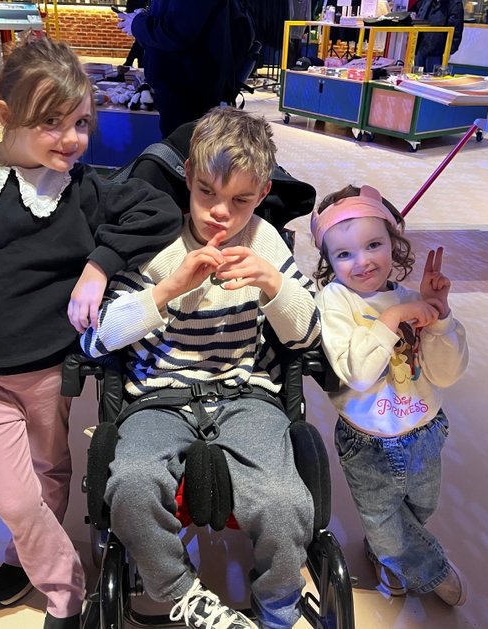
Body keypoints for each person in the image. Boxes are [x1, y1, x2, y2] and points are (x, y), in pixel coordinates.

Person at [0, 37, 182, 629]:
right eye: (51, 123)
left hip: (51, 372)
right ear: (5, 115)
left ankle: (26, 557)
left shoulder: (79, 186)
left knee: (49, 476)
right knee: (17, 499)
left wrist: (98, 265)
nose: (71, 139)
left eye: (80, 122)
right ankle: (67, 594)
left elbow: (159, 212)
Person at [81, 107, 321, 629]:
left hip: (245, 395)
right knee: (132, 485)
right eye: (207, 192)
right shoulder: (157, 239)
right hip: (159, 396)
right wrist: (165, 292)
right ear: (187, 177)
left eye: (239, 201)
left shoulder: (264, 241)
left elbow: (306, 335)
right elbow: (99, 339)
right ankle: (178, 591)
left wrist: (275, 287)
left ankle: (279, 602)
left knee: (284, 501)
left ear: (260, 195)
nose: (219, 213)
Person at [310, 184, 470, 606]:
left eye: (373, 245)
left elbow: (447, 374)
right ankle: (429, 570)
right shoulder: (334, 301)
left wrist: (439, 316)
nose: (362, 261)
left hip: (425, 429)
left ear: (393, 244)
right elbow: (358, 374)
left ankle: (387, 553)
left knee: (419, 508)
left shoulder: (411, 298)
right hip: (369, 441)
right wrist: (394, 318)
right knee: (382, 515)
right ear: (327, 261)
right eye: (343, 254)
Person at [115, 0, 234, 138]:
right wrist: (142, 20)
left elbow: (177, 32)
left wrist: (138, 24)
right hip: (179, 85)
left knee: (182, 149)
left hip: (187, 88)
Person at [412, 0, 465, 73]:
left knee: (433, 80)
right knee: (416, 79)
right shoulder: (426, 2)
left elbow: (456, 29)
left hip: (438, 52)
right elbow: (418, 17)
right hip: (421, 49)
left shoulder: (455, 3)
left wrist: (449, 51)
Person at [122, 0, 147, 68]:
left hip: (138, 12)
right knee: (139, 41)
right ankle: (138, 62)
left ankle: (130, 62)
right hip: (138, 11)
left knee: (139, 41)